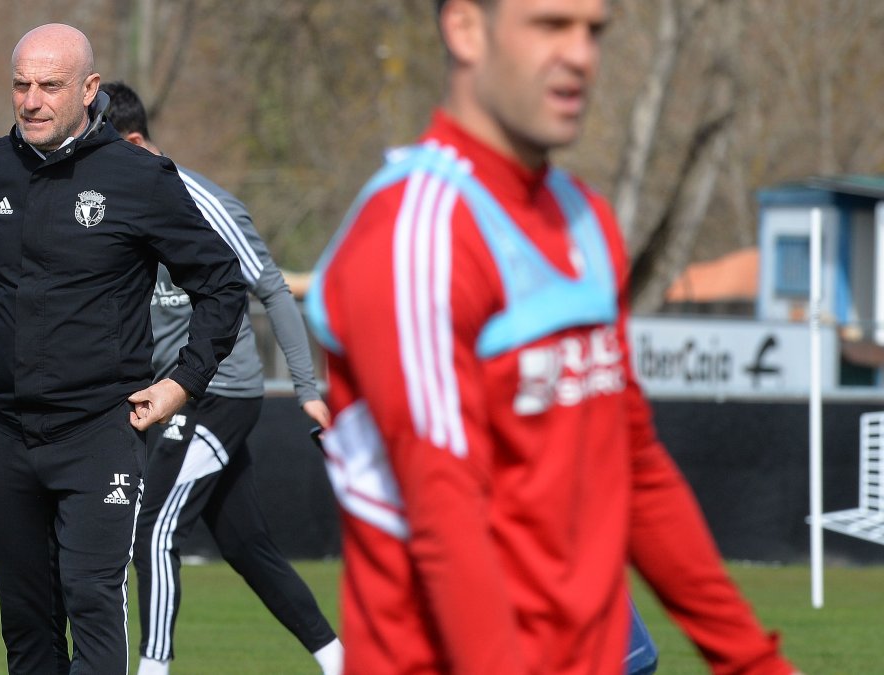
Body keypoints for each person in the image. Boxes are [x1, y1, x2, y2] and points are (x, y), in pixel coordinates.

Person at [303, 1, 801, 673]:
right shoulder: (418, 232)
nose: (581, 55)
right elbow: (447, 515)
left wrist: (752, 661)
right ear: (466, 29)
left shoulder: (583, 217)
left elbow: (636, 467)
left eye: (594, 31)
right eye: (550, 25)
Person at [0, 24, 248, 675]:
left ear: (88, 89)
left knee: (92, 603)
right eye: (21, 85)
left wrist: (183, 381)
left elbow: (220, 283)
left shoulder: (139, 177)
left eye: (50, 86)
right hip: (8, 430)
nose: (32, 100)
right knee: (26, 623)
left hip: (99, 430)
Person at [98, 81, 344, 675]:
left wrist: (308, 391)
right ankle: (342, 660)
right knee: (246, 545)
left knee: (153, 530)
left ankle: (153, 670)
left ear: (133, 143)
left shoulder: (201, 202)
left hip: (219, 396)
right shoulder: (114, 206)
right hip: (166, 400)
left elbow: (273, 289)